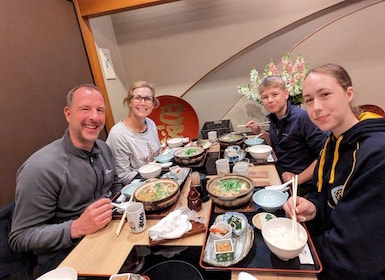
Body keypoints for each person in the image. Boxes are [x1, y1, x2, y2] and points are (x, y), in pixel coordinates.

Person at [9, 84, 123, 277]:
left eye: (100, 110)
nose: (94, 117)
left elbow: (115, 184)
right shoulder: (41, 168)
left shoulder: (103, 149)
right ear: (68, 114)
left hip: (110, 234)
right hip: (66, 257)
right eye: (85, 109)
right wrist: (76, 227)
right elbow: (20, 237)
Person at [283, 63, 385, 279]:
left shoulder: (377, 152)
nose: (316, 107)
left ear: (349, 93)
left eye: (325, 94)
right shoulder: (333, 142)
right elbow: (331, 199)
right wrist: (313, 208)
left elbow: (359, 247)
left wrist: (295, 252)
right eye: (309, 100)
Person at [246, 75, 328, 195]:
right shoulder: (275, 117)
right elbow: (278, 144)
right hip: (280, 171)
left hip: (302, 183)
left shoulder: (302, 118)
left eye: (274, 94)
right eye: (265, 97)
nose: (269, 100)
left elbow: (325, 156)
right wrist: (260, 132)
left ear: (286, 94)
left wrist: (297, 179)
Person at [106, 81, 162, 185]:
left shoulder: (150, 123)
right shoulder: (118, 134)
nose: (142, 103)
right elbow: (123, 177)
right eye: (137, 98)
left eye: (147, 98)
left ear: (153, 104)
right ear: (129, 102)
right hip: (136, 186)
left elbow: (158, 156)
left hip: (157, 178)